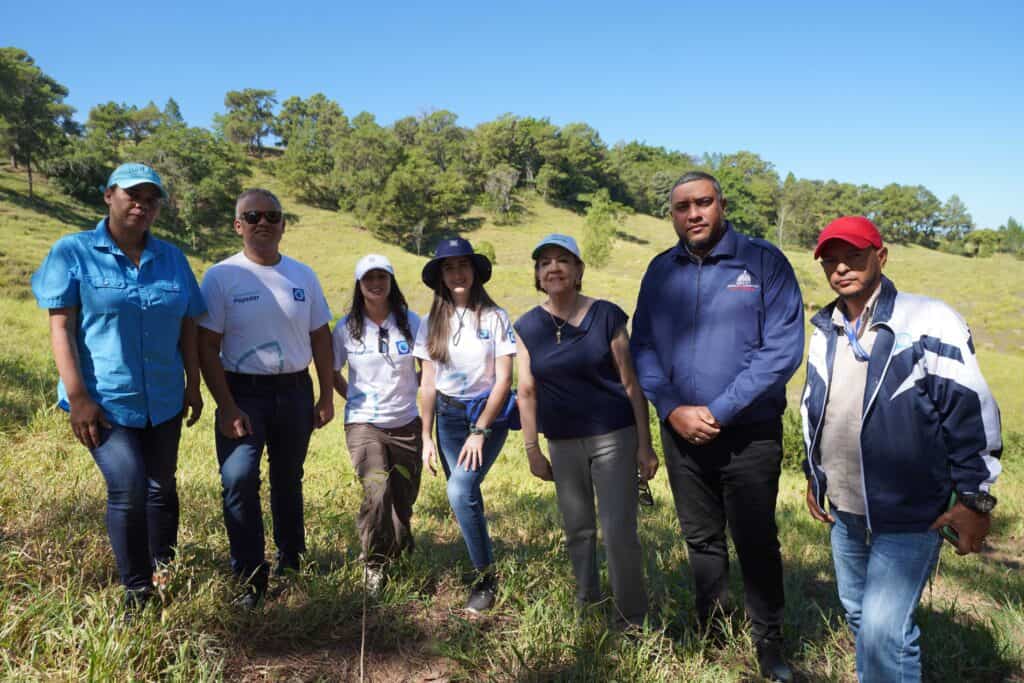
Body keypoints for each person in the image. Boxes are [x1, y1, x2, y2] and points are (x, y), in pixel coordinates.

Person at [802, 216, 1002, 682]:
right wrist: (816, 477)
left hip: (913, 510)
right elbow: (816, 406)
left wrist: (975, 500)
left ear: (881, 256)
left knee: (884, 632)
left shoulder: (927, 320)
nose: (841, 268)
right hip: (845, 509)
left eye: (854, 255)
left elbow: (970, 409)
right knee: (860, 618)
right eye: (831, 260)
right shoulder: (825, 328)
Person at [631, 171, 803, 681]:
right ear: (672, 215)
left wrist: (719, 410)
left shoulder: (762, 261)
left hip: (749, 433)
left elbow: (782, 349)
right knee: (700, 537)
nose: (694, 214)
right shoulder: (661, 270)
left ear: (721, 205)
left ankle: (768, 640)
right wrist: (670, 407)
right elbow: (642, 346)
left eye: (703, 203)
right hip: (680, 432)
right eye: (682, 207)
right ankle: (711, 626)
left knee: (755, 537)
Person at [30, 162, 206, 612]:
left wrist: (193, 384)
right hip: (105, 401)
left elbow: (189, 325)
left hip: (165, 397)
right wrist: (79, 397)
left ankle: (163, 560)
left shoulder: (172, 258)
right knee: (127, 485)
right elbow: (61, 328)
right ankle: (137, 588)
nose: (142, 204)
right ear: (109, 195)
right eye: (132, 194)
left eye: (151, 198)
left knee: (161, 486)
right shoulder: (73, 252)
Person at [197, 188, 334, 608]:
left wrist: (327, 393)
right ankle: (250, 577)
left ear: (283, 225)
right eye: (252, 216)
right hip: (243, 391)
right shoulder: (221, 276)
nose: (263, 223)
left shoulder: (303, 275)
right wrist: (226, 405)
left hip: (295, 389)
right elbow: (206, 346)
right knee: (238, 479)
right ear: (238, 225)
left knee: (288, 479)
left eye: (271, 216)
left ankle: (292, 562)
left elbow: (320, 336)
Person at [515, 234, 658, 628]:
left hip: (614, 436)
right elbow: (526, 391)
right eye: (545, 263)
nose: (554, 268)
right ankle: (587, 606)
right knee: (577, 529)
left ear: (579, 271)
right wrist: (532, 449)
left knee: (618, 531)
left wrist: (645, 447)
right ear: (538, 276)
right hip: (560, 441)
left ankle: (631, 618)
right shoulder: (527, 326)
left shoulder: (608, 315)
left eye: (563, 260)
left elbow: (631, 383)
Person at [414, 237, 515, 613]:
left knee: (459, 492)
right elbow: (426, 383)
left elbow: (504, 380)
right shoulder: (431, 322)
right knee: (465, 493)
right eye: (448, 267)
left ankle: (485, 579)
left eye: (463, 266)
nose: (457, 273)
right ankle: (482, 556)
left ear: (474, 272)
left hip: (486, 415)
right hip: (448, 416)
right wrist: (426, 436)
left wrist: (480, 430)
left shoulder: (495, 317)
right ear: (440, 275)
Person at [332, 254, 422, 593]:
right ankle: (373, 563)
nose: (375, 283)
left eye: (382, 276)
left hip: (406, 422)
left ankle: (400, 547)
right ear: (359, 284)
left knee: (402, 498)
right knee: (377, 490)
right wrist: (353, 398)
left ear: (391, 281)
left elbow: (427, 366)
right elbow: (330, 371)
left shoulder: (412, 322)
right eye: (368, 277)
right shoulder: (346, 327)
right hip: (363, 423)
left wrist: (414, 388)